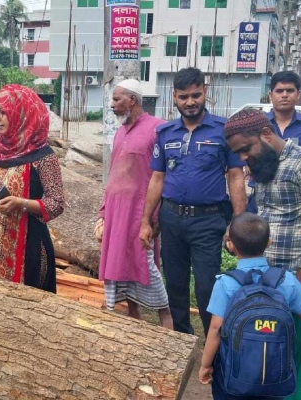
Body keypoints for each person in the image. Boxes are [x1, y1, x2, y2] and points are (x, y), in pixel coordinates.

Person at [224, 109, 301, 400]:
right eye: (237, 153)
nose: (242, 158)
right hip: (265, 283)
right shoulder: (265, 166)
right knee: (267, 356)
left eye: (245, 149)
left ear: (265, 134)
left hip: (296, 284)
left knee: (295, 358)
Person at [139, 67, 247, 336]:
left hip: (208, 220)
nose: (190, 102)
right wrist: (146, 221)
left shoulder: (223, 131)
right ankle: (181, 337)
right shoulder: (165, 134)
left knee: (206, 285)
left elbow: (235, 177)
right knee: (174, 283)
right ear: (174, 96)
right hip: (172, 219)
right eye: (184, 96)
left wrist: (238, 222)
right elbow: (157, 179)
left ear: (205, 92)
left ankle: (215, 342)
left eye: (196, 95)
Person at [199, 212, 301, 400]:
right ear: (269, 242)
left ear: (231, 245)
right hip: (275, 375)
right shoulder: (286, 280)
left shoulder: (225, 283)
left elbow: (215, 329)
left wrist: (205, 365)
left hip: (233, 378)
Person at [0, 84, 65, 293]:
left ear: (22, 115)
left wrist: (22, 203)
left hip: (27, 250)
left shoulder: (44, 157)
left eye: (3, 113)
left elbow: (56, 203)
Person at [95, 79, 172, 327]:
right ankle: (134, 321)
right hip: (117, 213)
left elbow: (164, 176)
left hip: (140, 214)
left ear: (133, 100)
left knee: (145, 265)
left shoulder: (159, 128)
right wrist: (103, 213)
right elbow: (114, 174)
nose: (112, 105)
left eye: (117, 99)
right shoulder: (119, 132)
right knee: (120, 265)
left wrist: (154, 217)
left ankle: (168, 326)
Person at [247, 71, 301, 213]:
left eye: (290, 90)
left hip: (298, 200)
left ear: (298, 94)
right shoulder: (256, 126)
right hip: (262, 198)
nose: (284, 95)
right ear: (270, 95)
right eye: (279, 91)